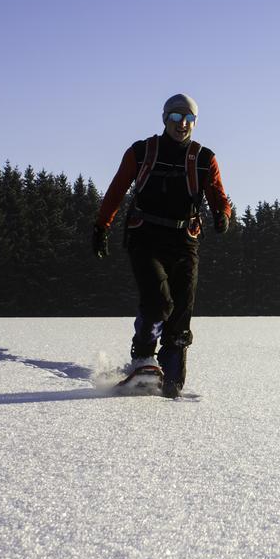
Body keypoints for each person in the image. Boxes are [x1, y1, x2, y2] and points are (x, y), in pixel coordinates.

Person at [92, 93, 231, 397]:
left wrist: (223, 213)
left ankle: (171, 381)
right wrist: (102, 225)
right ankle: (142, 356)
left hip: (185, 242)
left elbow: (218, 193)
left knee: (181, 314)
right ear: (165, 118)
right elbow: (117, 189)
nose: (183, 125)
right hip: (145, 238)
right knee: (158, 302)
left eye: (189, 119)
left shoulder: (203, 158)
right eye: (176, 118)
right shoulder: (142, 152)